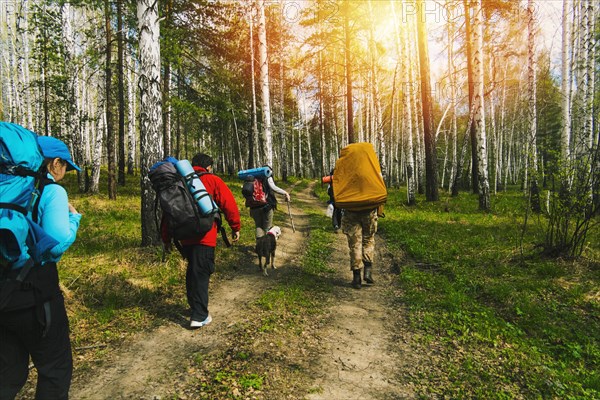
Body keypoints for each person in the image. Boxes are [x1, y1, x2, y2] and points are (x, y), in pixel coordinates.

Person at [0, 136, 82, 400]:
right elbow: (55, 246)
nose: (65, 174)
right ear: (54, 163)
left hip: (2, 295)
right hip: (34, 299)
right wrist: (74, 219)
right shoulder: (52, 191)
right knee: (55, 370)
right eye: (66, 167)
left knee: (8, 373)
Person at [161, 153, 241, 329]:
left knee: (193, 272)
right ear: (209, 167)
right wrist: (235, 227)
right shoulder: (212, 180)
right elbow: (229, 204)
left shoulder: (180, 182)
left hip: (184, 237)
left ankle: (195, 308)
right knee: (201, 274)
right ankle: (199, 315)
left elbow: (168, 212)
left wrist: (166, 239)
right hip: (205, 236)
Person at [332, 143, 387, 290]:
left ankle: (356, 277)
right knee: (368, 239)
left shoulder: (344, 168)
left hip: (351, 211)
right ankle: (368, 271)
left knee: (355, 242)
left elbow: (335, 185)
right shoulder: (372, 168)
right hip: (369, 210)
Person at [247, 166, 291, 240]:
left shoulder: (252, 178)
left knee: (258, 226)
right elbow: (273, 187)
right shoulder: (267, 175)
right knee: (267, 228)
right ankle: (267, 248)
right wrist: (285, 193)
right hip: (266, 207)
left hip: (254, 208)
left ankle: (260, 247)